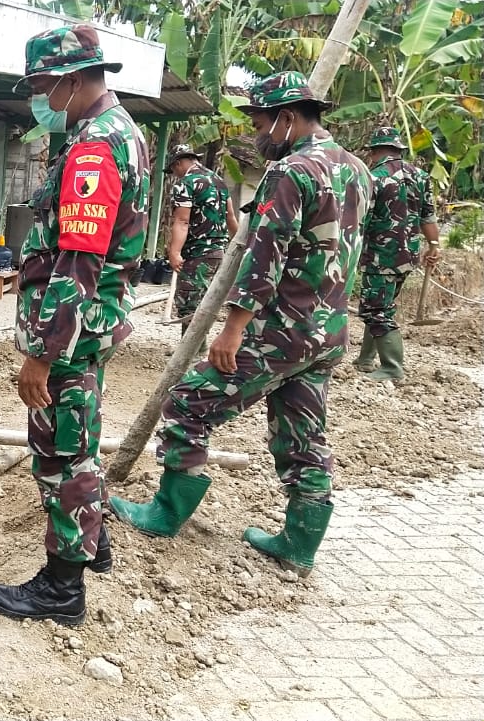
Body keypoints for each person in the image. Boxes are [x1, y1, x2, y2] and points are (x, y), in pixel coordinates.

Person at [110, 71, 374, 578]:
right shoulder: (357, 169)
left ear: (287, 118)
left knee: (189, 402)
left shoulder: (291, 171)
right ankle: (299, 542)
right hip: (329, 328)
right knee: (304, 433)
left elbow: (265, 255)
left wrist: (233, 328)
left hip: (282, 328)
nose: (257, 132)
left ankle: (166, 512)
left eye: (259, 121)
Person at [0, 24, 149, 626]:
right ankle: (93, 543)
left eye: (45, 87)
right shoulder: (120, 132)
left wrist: (44, 353)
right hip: (95, 322)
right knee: (80, 436)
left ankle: (61, 587)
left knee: (62, 452)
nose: (41, 100)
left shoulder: (93, 149)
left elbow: (79, 261)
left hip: (72, 331)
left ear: (74, 81)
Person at [354, 126, 441, 381]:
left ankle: (392, 367)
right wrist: (434, 245)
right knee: (381, 305)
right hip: (407, 257)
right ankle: (366, 360)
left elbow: (361, 220)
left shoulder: (373, 178)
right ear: (398, 149)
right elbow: (428, 216)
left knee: (376, 309)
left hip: (379, 257)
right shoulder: (421, 176)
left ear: (375, 151)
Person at [165, 144, 239, 337]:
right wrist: (240, 247)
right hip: (218, 253)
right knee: (205, 303)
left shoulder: (186, 183)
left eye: (173, 169)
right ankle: (196, 348)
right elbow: (230, 217)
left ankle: (191, 355)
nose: (175, 174)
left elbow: (182, 221)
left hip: (197, 253)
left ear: (179, 163)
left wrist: (174, 252)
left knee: (188, 305)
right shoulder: (219, 181)